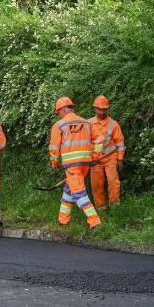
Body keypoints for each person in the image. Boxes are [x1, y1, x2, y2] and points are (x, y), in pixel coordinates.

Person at [49, 97, 101, 228]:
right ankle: (63, 220)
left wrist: (54, 163)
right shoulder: (87, 123)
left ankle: (94, 221)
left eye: (59, 112)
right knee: (69, 190)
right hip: (85, 163)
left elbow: (54, 147)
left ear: (62, 109)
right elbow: (99, 138)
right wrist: (95, 156)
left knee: (78, 193)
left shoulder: (59, 125)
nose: (59, 115)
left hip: (72, 165)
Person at [89, 95, 126, 209]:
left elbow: (120, 143)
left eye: (104, 109)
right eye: (100, 109)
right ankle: (100, 208)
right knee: (97, 185)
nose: (102, 111)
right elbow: (84, 144)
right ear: (95, 109)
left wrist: (120, 159)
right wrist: (88, 159)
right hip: (95, 161)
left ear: (107, 109)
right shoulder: (88, 124)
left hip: (111, 158)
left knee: (113, 182)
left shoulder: (113, 124)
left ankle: (115, 207)